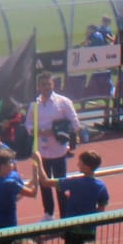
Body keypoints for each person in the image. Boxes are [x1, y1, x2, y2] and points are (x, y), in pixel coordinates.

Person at [33, 73, 81, 214]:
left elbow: (75, 124)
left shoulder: (63, 102)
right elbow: (29, 125)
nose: (46, 87)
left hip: (59, 151)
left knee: (61, 184)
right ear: (38, 87)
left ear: (53, 85)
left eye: (49, 84)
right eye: (43, 84)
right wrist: (38, 131)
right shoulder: (34, 104)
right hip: (42, 152)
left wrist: (57, 131)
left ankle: (64, 214)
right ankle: (48, 213)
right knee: (44, 184)